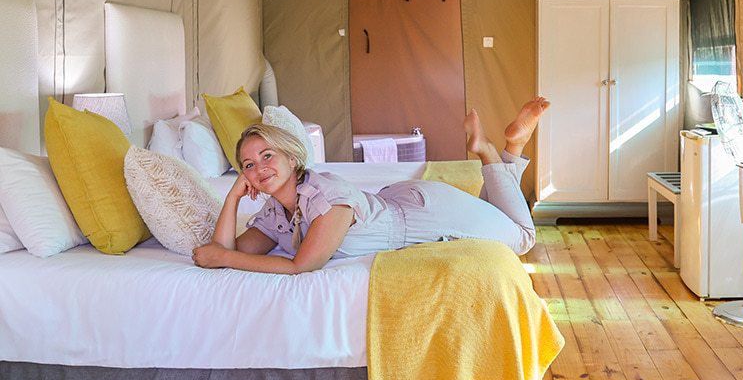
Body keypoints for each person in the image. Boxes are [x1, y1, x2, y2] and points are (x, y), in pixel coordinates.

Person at [191, 97, 550, 275]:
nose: (259, 169)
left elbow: (302, 265)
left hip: (424, 216)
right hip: (401, 201)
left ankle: (489, 151)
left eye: (267, 156)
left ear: (291, 158)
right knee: (494, 215)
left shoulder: (324, 197)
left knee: (522, 237)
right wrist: (234, 196)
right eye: (248, 165)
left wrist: (224, 258)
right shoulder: (277, 211)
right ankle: (514, 148)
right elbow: (228, 249)